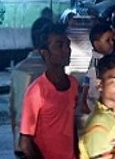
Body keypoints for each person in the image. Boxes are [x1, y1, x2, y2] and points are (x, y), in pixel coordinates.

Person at [19, 24, 79, 159]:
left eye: (67, 45)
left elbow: (71, 123)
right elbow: (25, 142)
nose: (67, 50)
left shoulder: (73, 84)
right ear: (45, 53)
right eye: (59, 45)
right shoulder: (37, 91)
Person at [10, 19, 49, 157]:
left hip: (20, 141)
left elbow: (12, 111)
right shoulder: (51, 72)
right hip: (43, 143)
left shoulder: (18, 69)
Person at [80, 22, 114, 124]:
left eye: (112, 40)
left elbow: (86, 80)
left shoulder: (97, 60)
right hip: (96, 107)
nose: (112, 43)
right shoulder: (97, 63)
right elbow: (87, 81)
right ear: (96, 44)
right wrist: (84, 101)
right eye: (107, 40)